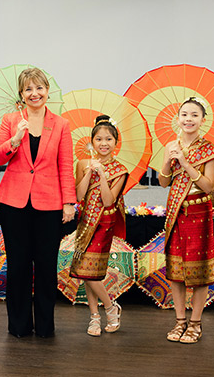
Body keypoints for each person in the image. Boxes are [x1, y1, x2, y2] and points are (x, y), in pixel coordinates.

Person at [0, 67, 76, 338]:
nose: (34, 93)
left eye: (39, 88)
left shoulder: (61, 124)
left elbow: (65, 165)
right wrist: (15, 139)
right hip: (14, 203)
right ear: (21, 94)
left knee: (45, 265)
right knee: (17, 265)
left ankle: (45, 326)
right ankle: (18, 326)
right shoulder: (11, 120)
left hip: (49, 204)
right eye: (28, 89)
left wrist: (69, 203)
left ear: (47, 91)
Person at [158, 97, 214, 344]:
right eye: (184, 114)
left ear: (203, 120)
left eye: (194, 115)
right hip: (176, 213)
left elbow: (208, 186)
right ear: (178, 118)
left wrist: (185, 163)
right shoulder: (170, 145)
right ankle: (179, 321)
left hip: (199, 213)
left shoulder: (209, 150)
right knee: (175, 271)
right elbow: (164, 182)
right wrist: (170, 158)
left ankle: (195, 323)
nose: (188, 119)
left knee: (199, 272)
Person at [71, 115, 127, 336]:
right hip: (85, 222)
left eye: (109, 139)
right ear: (91, 142)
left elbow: (108, 200)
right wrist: (88, 173)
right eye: (99, 139)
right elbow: (78, 194)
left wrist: (102, 175)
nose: (104, 143)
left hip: (103, 224)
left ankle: (111, 307)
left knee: (89, 272)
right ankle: (94, 316)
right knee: (85, 272)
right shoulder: (83, 163)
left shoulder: (120, 169)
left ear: (115, 142)